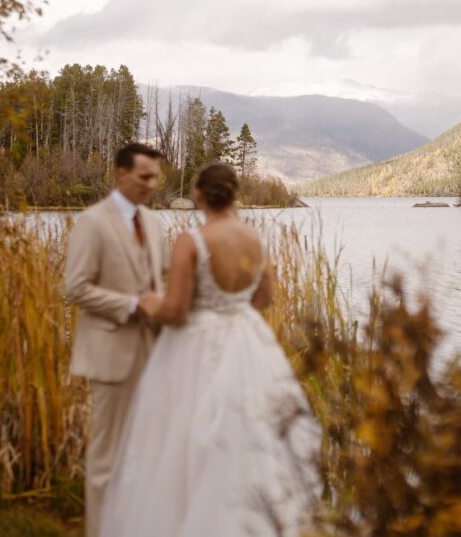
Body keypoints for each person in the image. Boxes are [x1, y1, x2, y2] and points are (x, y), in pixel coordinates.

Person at [100, 162, 321, 537]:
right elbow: (263, 299)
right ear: (234, 194)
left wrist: (147, 302)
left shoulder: (193, 241)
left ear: (199, 195)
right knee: (247, 436)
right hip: (247, 341)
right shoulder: (254, 239)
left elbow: (175, 311)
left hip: (194, 346)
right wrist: (231, 307)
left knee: (180, 438)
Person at [64, 143, 169, 537]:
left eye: (155, 177)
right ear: (119, 174)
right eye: (145, 177)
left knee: (145, 452)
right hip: (111, 351)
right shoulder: (92, 222)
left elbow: (162, 277)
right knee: (106, 457)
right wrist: (130, 304)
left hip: (156, 351)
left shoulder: (153, 223)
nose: (152, 184)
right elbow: (74, 287)